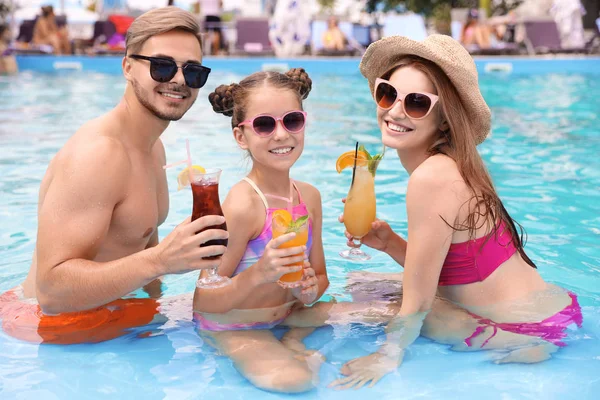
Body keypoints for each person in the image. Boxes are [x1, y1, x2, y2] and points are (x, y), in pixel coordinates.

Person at [326, 34, 583, 388]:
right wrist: (389, 244)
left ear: (444, 119)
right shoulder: (455, 163)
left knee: (340, 312)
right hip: (553, 314)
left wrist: (386, 357)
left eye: (416, 103)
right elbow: (456, 269)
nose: (395, 110)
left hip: (518, 331)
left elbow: (417, 304)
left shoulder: (431, 177)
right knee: (364, 285)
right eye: (387, 93)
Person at [0, 6, 227, 344]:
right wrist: (162, 260)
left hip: (100, 309)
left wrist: (158, 305)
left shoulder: (154, 148)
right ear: (127, 66)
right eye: (162, 66)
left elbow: (143, 247)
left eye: (193, 72)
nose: (179, 80)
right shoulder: (99, 155)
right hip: (44, 324)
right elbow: (50, 291)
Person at [193, 68, 329, 393]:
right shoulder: (243, 206)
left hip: (286, 314)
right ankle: (295, 348)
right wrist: (260, 273)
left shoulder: (309, 198)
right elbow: (203, 302)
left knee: (386, 312)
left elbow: (321, 276)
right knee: (296, 381)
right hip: (235, 325)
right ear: (242, 136)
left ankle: (294, 340)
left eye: (292, 120)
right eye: (264, 125)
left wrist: (310, 290)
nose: (281, 135)